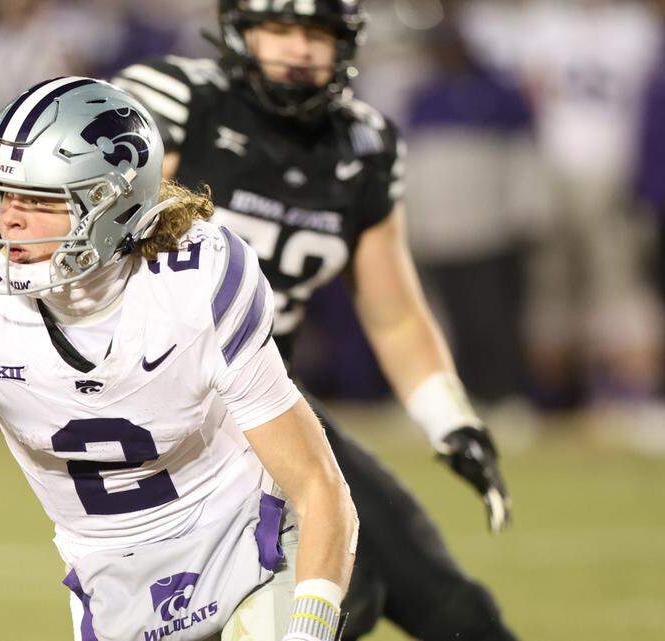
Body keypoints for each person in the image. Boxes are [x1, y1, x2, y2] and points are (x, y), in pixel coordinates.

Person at [0, 78, 359, 641]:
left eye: (42, 199)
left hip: (245, 546)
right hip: (111, 581)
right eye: (3, 194)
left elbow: (318, 485)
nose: (10, 220)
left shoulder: (196, 281)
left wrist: (310, 626)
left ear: (115, 206)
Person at [112, 1, 516, 639]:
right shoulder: (175, 100)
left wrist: (450, 419)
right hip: (164, 413)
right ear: (239, 31)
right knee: (329, 605)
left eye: (316, 33)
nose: (298, 50)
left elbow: (393, 313)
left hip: (269, 404)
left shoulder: (363, 143)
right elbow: (100, 252)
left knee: (455, 610)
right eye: (278, 28)